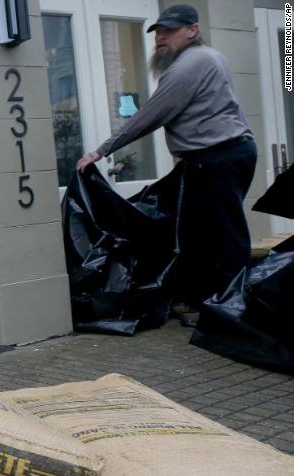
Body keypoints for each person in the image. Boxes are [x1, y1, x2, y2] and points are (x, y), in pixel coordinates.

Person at [76, 4, 255, 325]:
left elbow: (150, 115)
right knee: (197, 233)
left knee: (224, 235)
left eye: (169, 31)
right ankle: (205, 301)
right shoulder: (210, 58)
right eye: (158, 32)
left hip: (217, 158)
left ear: (193, 30)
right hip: (218, 157)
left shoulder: (191, 64)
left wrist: (101, 151)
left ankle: (231, 311)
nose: (160, 38)